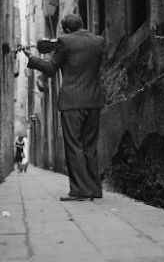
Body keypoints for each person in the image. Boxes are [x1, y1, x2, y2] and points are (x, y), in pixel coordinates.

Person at [22, 14, 104, 201]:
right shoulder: (99, 41)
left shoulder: (64, 41)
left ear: (66, 29)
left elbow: (51, 68)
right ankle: (94, 188)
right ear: (82, 24)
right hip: (94, 100)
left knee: (74, 145)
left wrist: (32, 59)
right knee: (90, 147)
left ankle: (80, 190)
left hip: (72, 102)